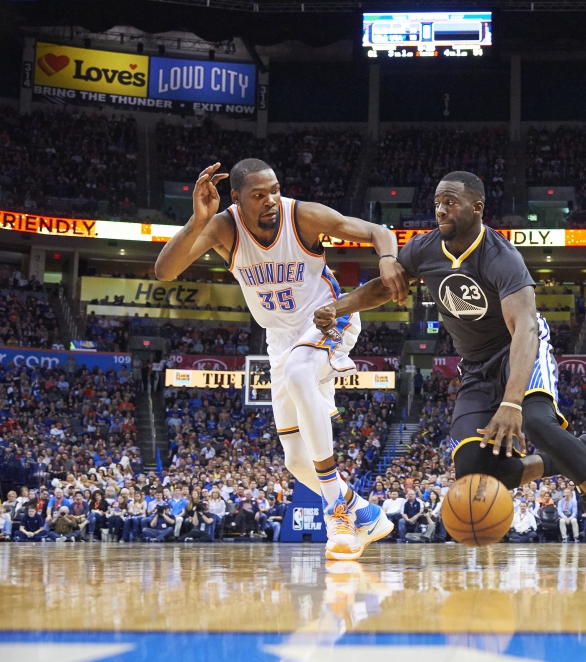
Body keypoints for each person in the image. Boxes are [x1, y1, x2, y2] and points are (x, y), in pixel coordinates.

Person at [315, 171, 586, 567]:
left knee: (537, 423)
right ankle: (567, 457)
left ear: (477, 208)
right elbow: (381, 287)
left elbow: (526, 329)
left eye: (450, 202)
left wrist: (512, 404)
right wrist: (338, 307)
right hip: (476, 366)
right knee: (476, 470)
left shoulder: (501, 256)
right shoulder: (425, 249)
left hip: (520, 348)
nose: (440, 210)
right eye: (437, 203)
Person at [155, 159, 406, 561]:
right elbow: (165, 271)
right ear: (236, 199)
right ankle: (363, 510)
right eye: (258, 195)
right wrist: (197, 219)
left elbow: (378, 232)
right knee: (293, 459)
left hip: (328, 317)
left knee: (302, 370)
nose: (270, 200)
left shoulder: (302, 216)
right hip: (281, 338)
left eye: (274, 189)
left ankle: (336, 513)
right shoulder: (223, 226)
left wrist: (388, 258)